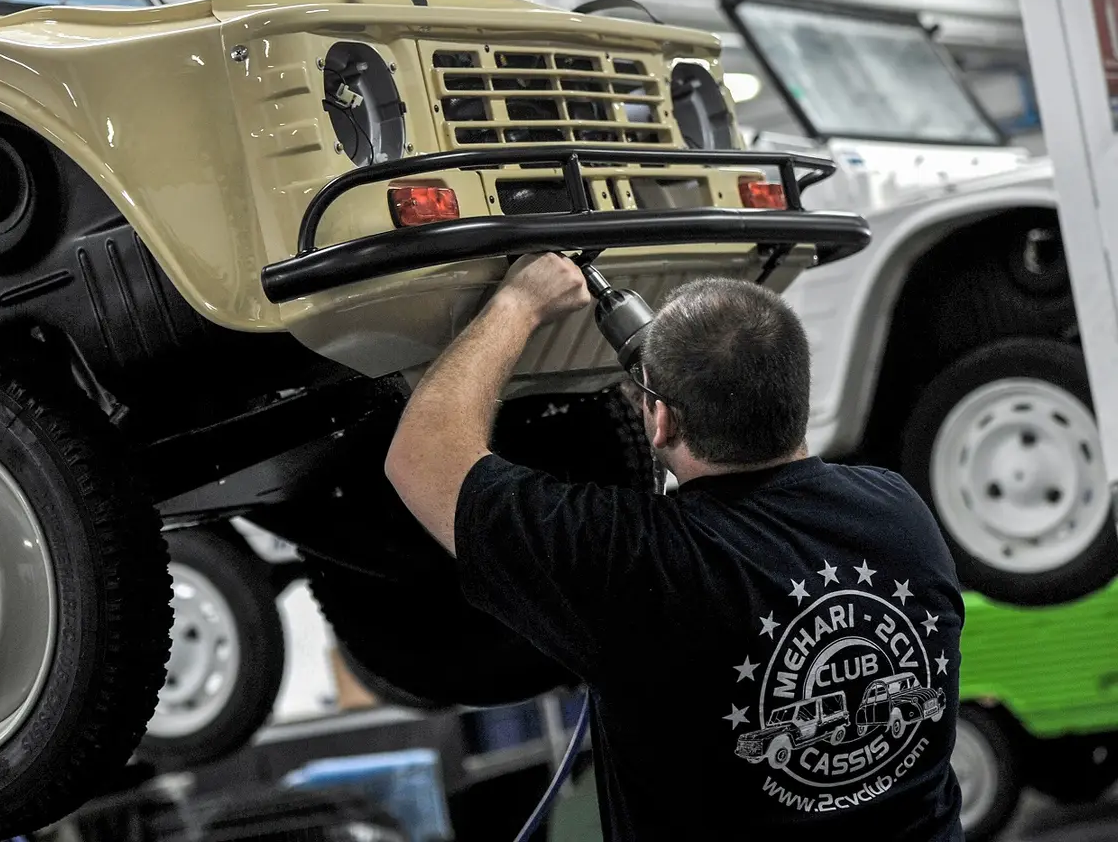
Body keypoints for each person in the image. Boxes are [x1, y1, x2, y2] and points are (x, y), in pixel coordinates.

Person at [385, 254, 964, 841]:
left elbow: (421, 456)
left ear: (660, 420)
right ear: (796, 394)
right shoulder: (898, 510)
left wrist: (519, 302)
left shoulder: (639, 563)